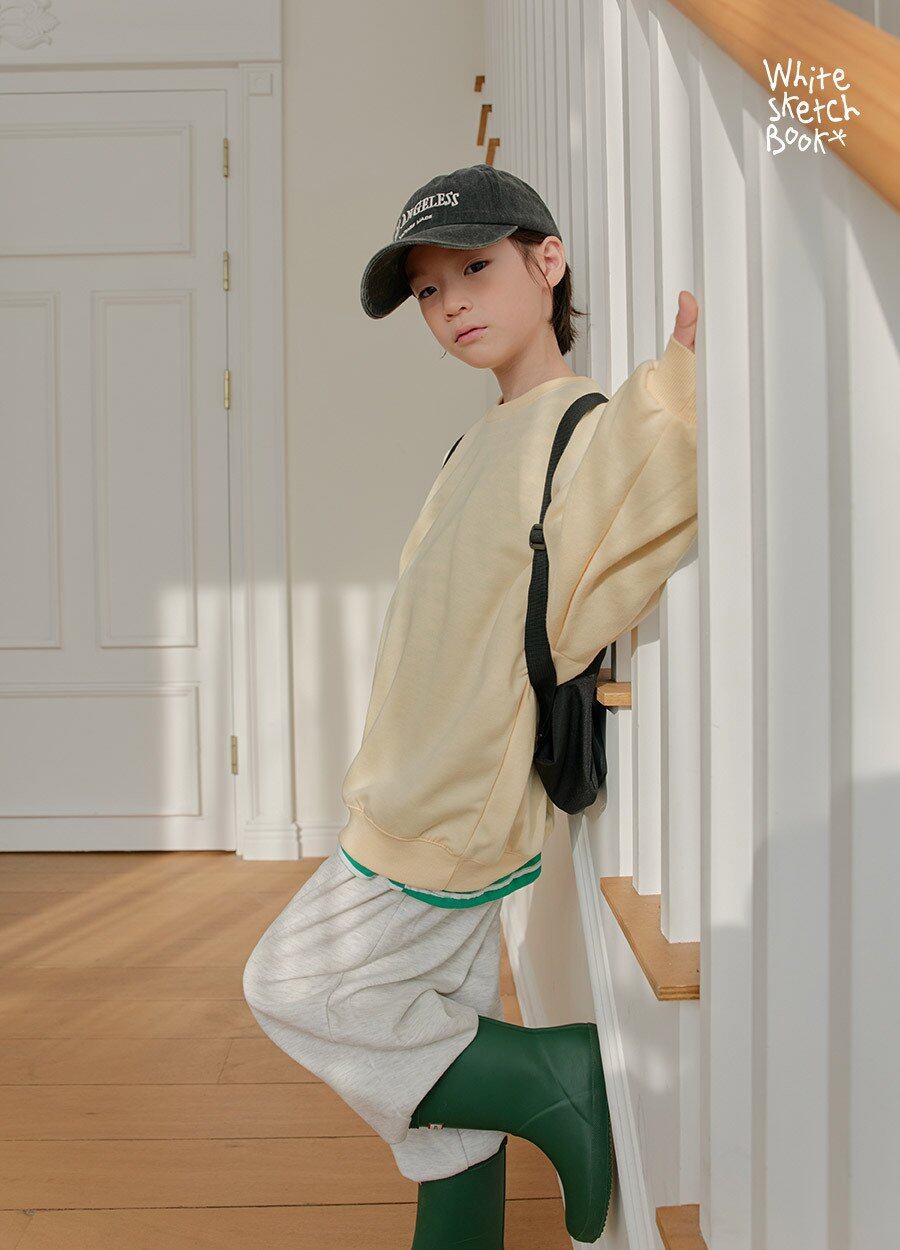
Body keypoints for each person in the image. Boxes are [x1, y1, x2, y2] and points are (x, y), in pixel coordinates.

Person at [242, 163, 699, 1247]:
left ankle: (556, 1078)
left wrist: (684, 376)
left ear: (549, 264)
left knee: (286, 983)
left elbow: (645, 493)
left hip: (451, 805)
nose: (452, 304)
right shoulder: (478, 441)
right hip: (409, 784)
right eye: (429, 290)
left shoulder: (581, 425)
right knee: (437, 1068)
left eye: (477, 268)